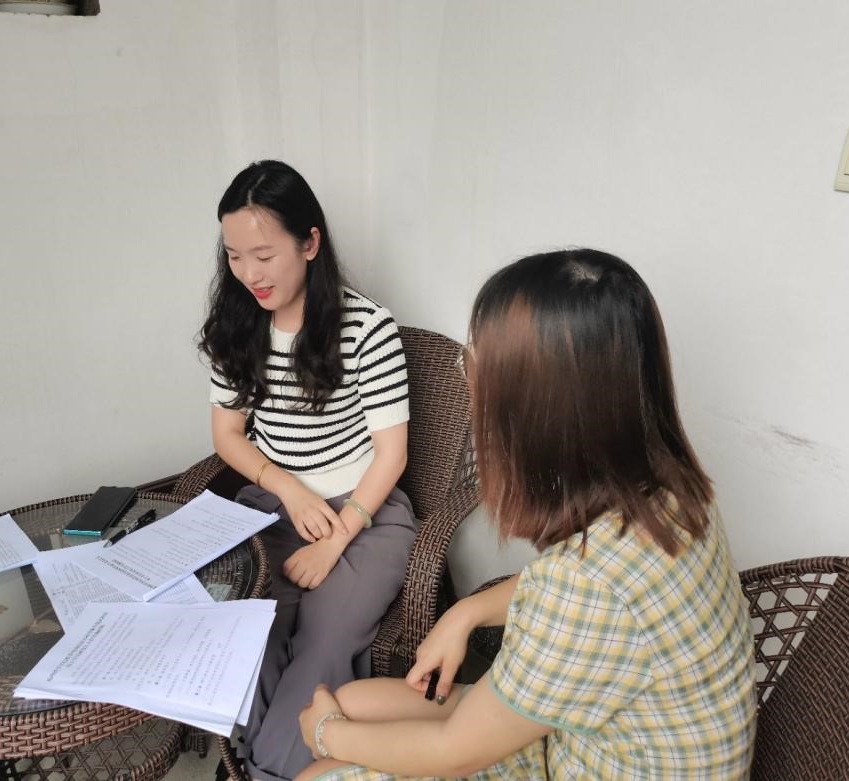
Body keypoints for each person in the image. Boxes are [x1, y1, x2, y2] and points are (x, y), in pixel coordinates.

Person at [296, 249, 757, 780]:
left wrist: (327, 733)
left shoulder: (583, 586)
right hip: (593, 734)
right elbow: (587, 592)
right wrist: (463, 614)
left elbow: (454, 752)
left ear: (536, 410)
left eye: (476, 365)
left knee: (318, 770)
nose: (468, 381)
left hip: (583, 763)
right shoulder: (666, 488)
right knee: (355, 700)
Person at [198, 160, 416, 781]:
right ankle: (258, 764)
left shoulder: (366, 328)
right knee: (252, 629)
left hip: (366, 512)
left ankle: (261, 773)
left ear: (310, 243)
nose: (249, 274)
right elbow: (227, 436)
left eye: (264, 255)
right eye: (234, 257)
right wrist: (289, 491)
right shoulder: (237, 327)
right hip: (273, 507)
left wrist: (337, 538)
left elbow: (392, 455)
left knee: (325, 643)